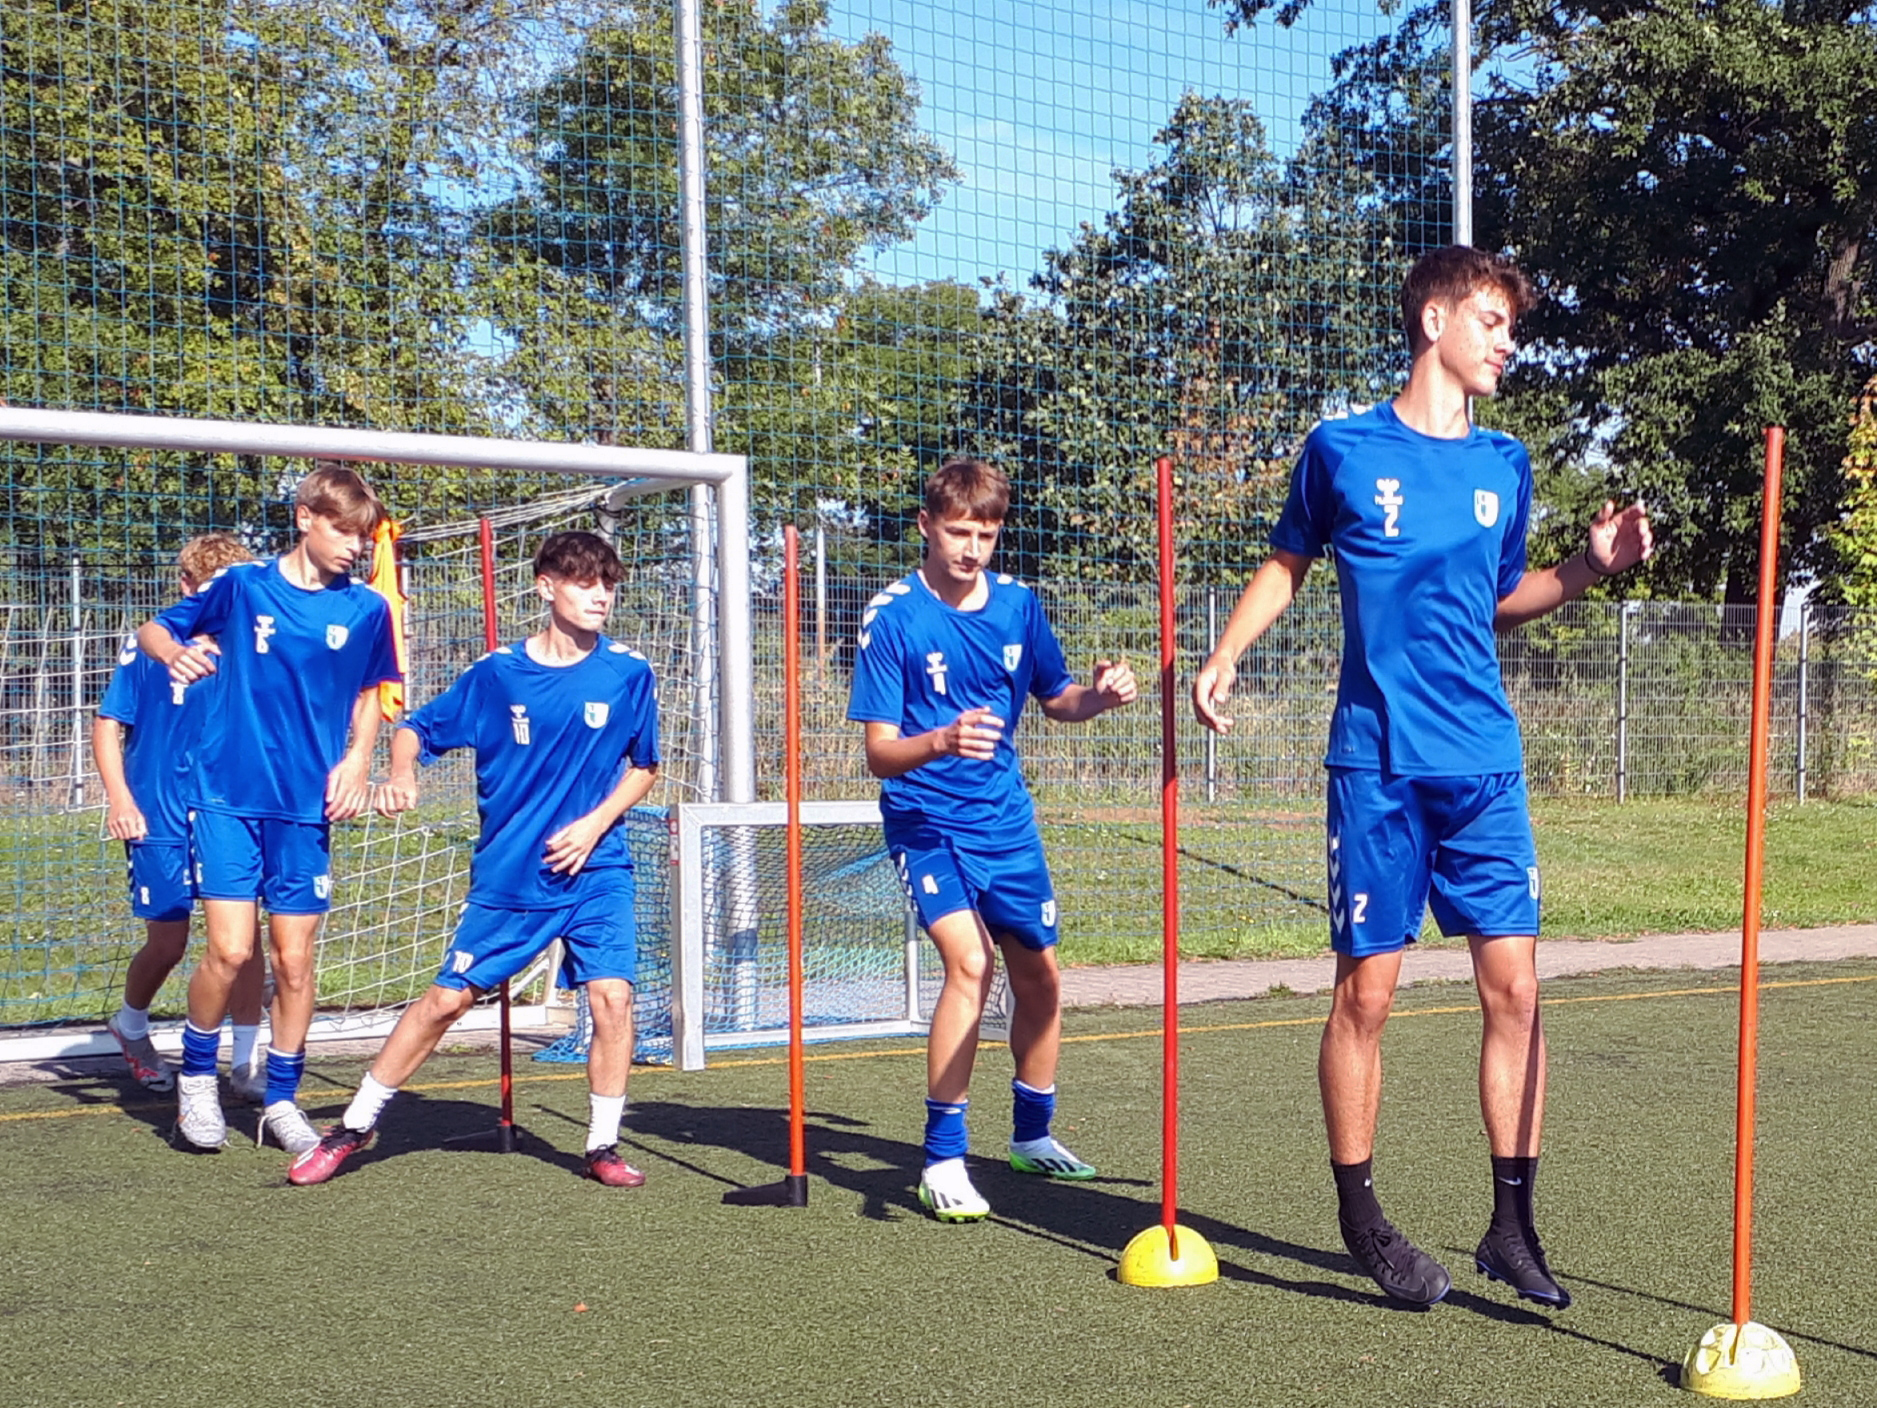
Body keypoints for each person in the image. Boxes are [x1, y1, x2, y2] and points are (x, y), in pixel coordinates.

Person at [1193, 245, 1652, 1309]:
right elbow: (1285, 563)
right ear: (1434, 317)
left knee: (1517, 991)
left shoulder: (1503, 463)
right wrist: (1225, 651)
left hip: (1483, 763)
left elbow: (1501, 596)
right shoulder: (1340, 450)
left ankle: (1511, 1224)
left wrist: (1589, 568)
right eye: (1491, 320)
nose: (1506, 341)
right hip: (1376, 763)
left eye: (1509, 325)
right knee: (1367, 993)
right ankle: (1361, 1219)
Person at [287, 530, 660, 1188]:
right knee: (444, 1004)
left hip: (598, 868)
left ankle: (601, 1145)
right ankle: (352, 1126)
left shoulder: (629, 672)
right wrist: (403, 774)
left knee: (613, 998)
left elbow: (645, 766)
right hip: (513, 876)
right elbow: (415, 729)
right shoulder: (496, 674)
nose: (599, 594)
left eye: (607, 583)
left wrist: (594, 824)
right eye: (583, 581)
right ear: (546, 587)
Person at [848, 458, 1137, 1222]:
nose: (971, 547)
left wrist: (1099, 697)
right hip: (925, 821)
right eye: (957, 532)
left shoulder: (1017, 606)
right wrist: (940, 740)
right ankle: (942, 1156)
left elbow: (1057, 699)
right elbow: (879, 752)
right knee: (969, 965)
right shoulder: (893, 617)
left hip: (1004, 822)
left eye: (985, 533)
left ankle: (1031, 1137)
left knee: (1038, 973)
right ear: (926, 527)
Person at [137, 465, 401, 1156]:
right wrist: (175, 655)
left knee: (295, 962)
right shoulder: (243, 585)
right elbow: (155, 630)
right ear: (305, 518)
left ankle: (280, 1097)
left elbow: (376, 687)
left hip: (305, 807)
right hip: (225, 796)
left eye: (363, 534)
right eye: (342, 530)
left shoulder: (366, 608)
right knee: (229, 950)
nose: (355, 546)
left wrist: (357, 760)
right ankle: (198, 1084)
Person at [97, 533, 268, 1098]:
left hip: (225, 812)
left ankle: (245, 1062)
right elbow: (108, 724)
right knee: (169, 942)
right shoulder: (149, 648)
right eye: (208, 589)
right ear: (185, 587)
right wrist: (121, 800)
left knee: (242, 944)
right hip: (159, 815)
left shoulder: (247, 648)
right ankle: (132, 1026)